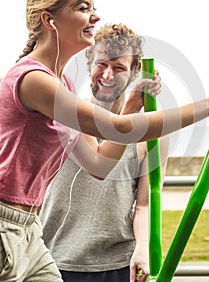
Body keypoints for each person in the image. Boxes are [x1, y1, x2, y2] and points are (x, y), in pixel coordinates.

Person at [0, 0, 209, 281]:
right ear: (50, 20)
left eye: (92, 7)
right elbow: (114, 129)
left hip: (28, 231)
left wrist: (131, 107)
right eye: (83, 8)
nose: (94, 16)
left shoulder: (58, 83)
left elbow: (99, 163)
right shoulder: (33, 80)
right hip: (4, 228)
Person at [41, 23, 169, 282]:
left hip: (119, 264)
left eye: (119, 67)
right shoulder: (66, 115)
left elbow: (144, 205)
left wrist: (142, 248)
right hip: (53, 259)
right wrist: (129, 111)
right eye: (101, 64)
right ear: (89, 64)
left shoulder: (152, 135)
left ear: (135, 73)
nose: (108, 75)